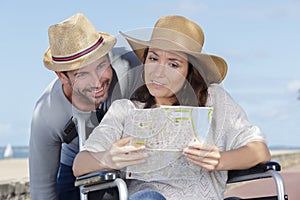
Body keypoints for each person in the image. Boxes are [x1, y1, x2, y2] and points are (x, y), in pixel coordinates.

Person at [73, 15, 271, 199]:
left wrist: (220, 160)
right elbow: (80, 164)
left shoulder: (215, 101)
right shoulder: (125, 110)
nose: (158, 72)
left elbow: (259, 151)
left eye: (173, 64)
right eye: (153, 58)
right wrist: (108, 159)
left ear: (189, 71)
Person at [29, 13, 142, 200]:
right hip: (76, 160)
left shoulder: (131, 67)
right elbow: (43, 190)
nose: (97, 82)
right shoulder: (47, 113)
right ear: (62, 77)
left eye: (101, 66)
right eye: (82, 74)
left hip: (130, 155)